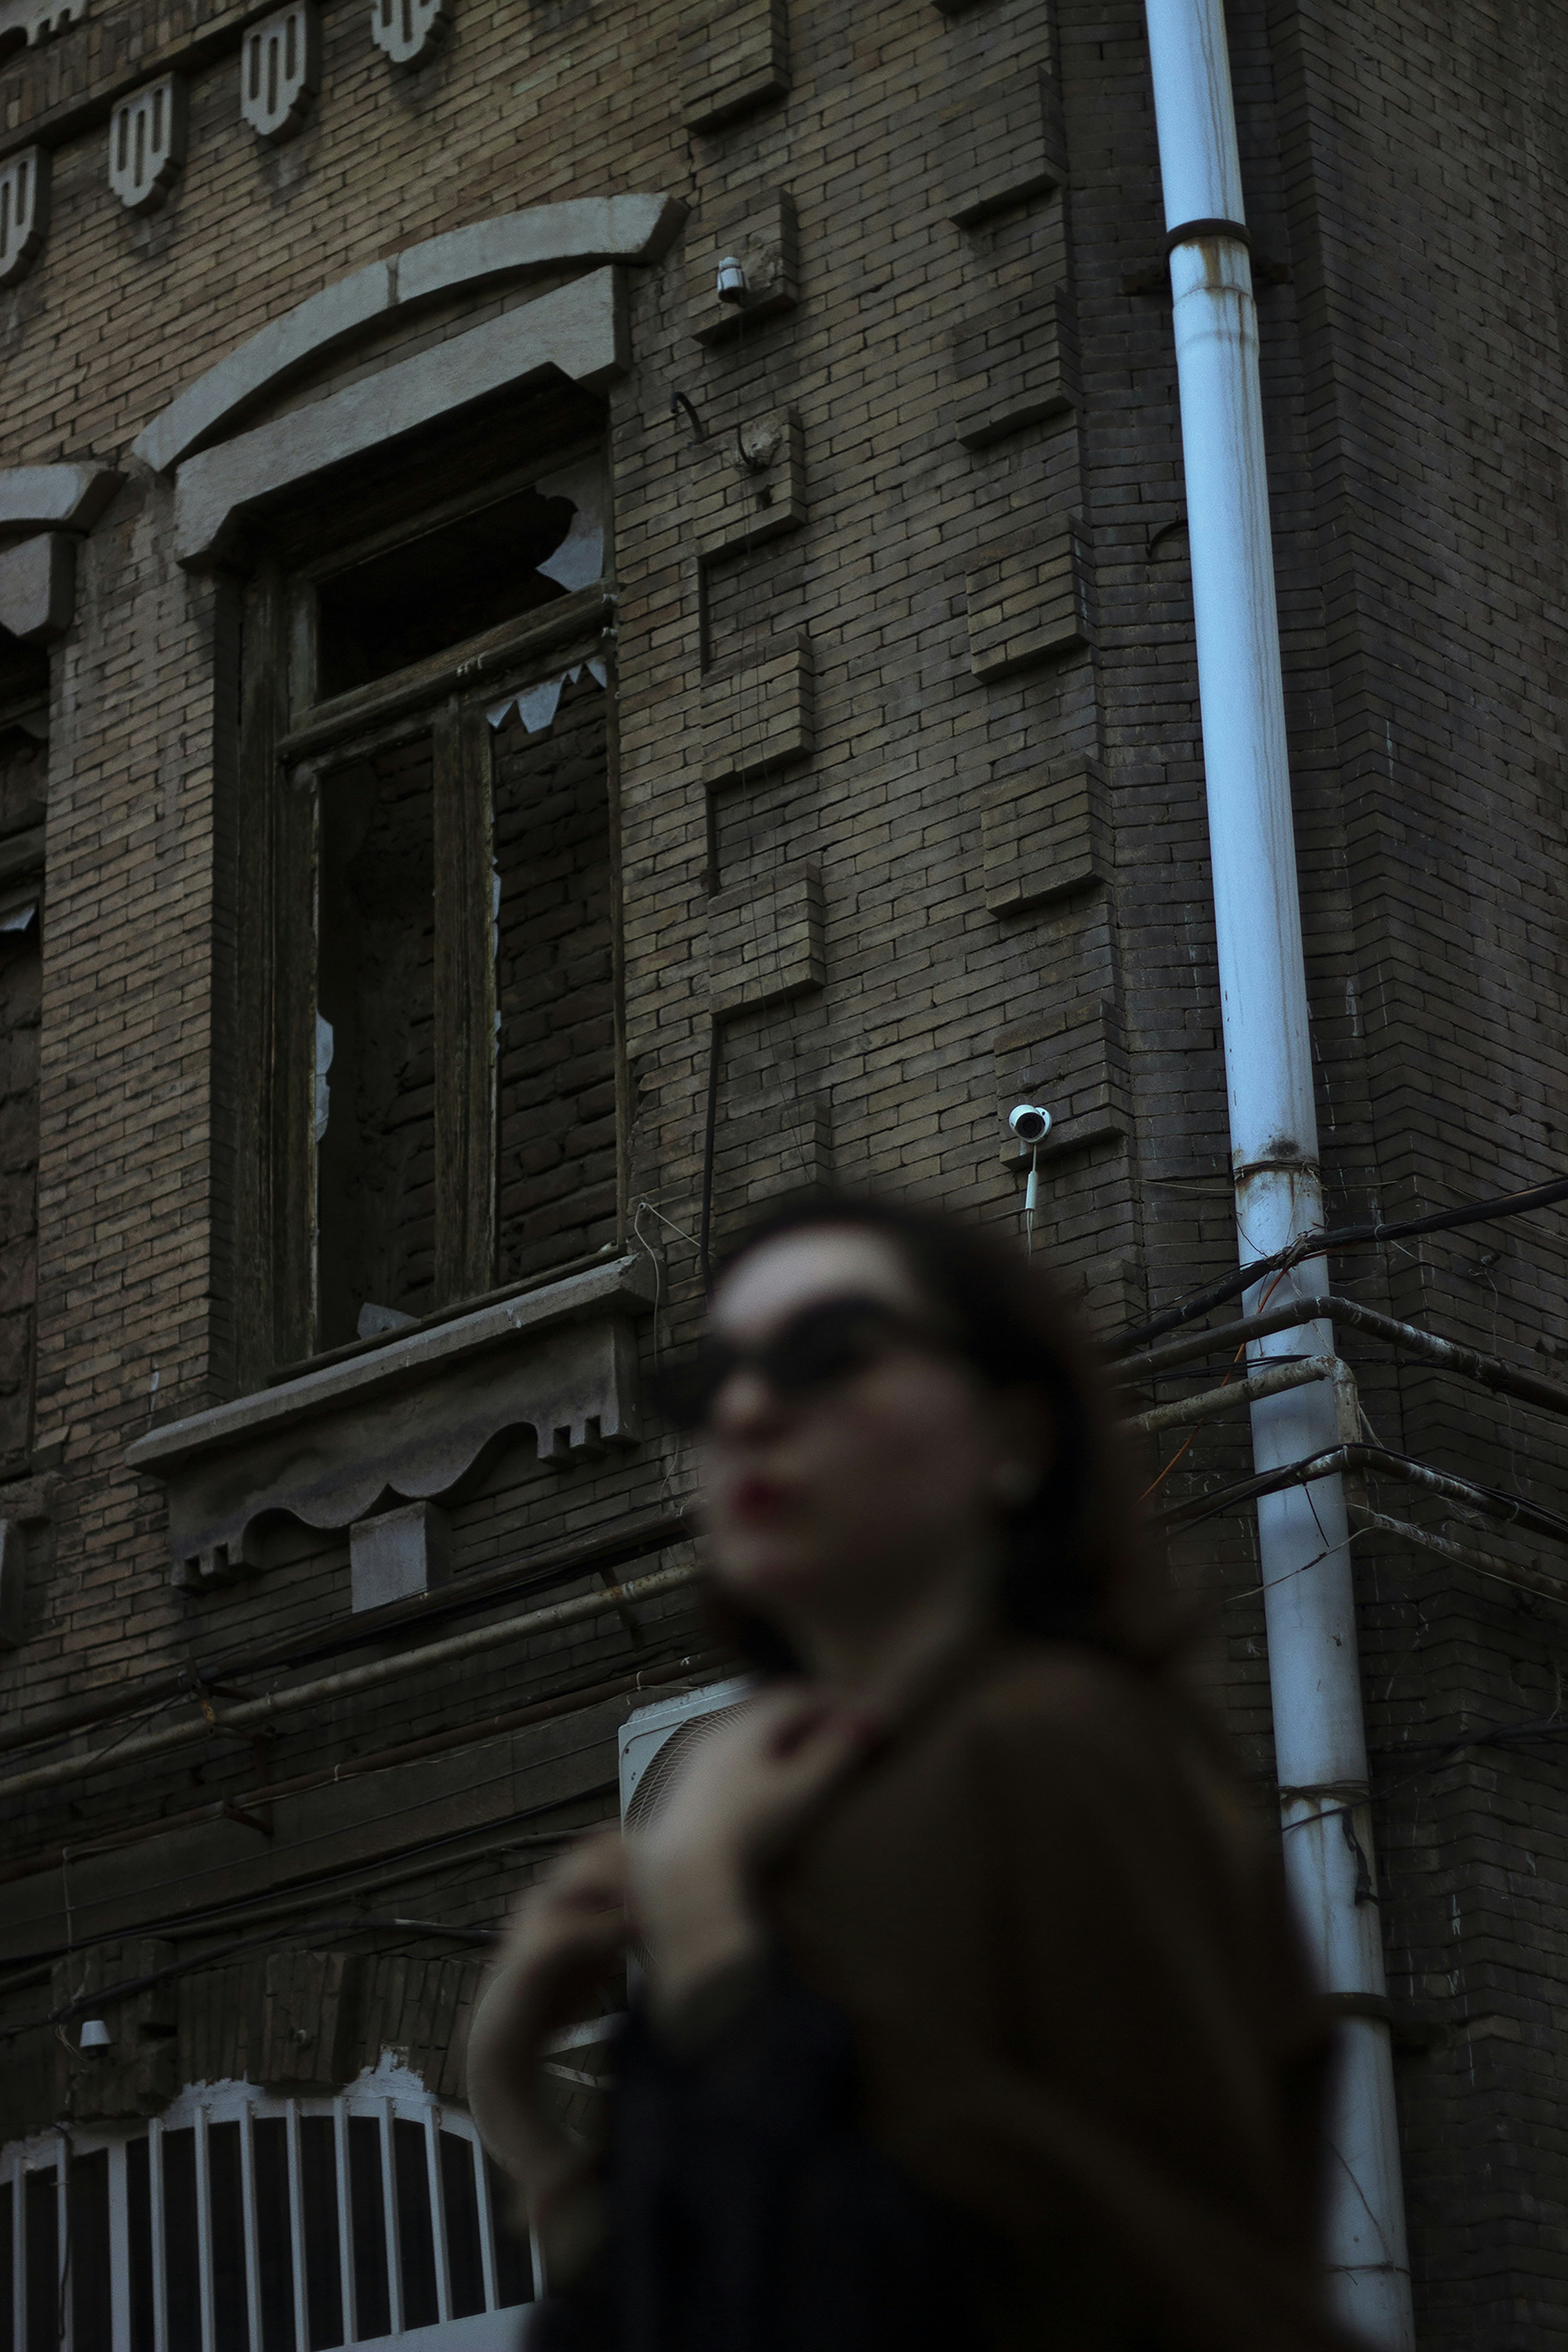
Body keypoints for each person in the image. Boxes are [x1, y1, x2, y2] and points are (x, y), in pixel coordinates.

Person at [467, 1194, 1357, 2350]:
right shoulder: (792, 1810)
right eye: (711, 1380)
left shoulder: (1056, 1746)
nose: (745, 1409)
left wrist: (709, 1946)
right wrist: (513, 2105)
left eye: (828, 1355)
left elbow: (1127, 2291)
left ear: (1016, 1437)